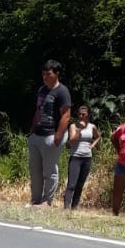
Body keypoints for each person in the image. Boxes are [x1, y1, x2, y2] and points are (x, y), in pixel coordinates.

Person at [27, 59, 71, 206]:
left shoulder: (62, 91)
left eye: (48, 74)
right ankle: (35, 200)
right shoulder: (42, 90)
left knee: (49, 170)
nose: (45, 77)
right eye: (43, 74)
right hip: (37, 135)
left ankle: (47, 201)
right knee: (35, 170)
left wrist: (58, 136)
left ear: (56, 74)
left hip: (51, 135)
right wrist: (32, 130)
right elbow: (38, 110)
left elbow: (66, 115)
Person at [62, 104, 100, 209]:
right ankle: (66, 207)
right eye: (79, 114)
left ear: (88, 115)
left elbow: (98, 137)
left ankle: (74, 207)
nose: (81, 116)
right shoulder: (73, 126)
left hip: (87, 158)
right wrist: (79, 130)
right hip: (76, 157)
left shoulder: (92, 127)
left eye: (84, 114)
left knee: (80, 184)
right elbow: (72, 141)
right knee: (72, 184)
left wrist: (92, 146)